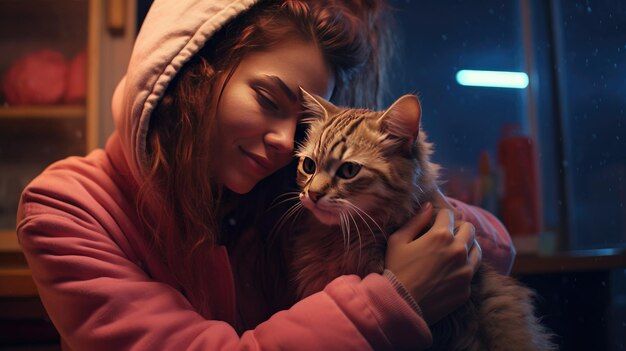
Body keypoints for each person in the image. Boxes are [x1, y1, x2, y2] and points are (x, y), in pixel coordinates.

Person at [16, 0, 515, 349]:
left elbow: (497, 246)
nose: (285, 142)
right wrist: (392, 301)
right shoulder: (66, 208)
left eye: (298, 123)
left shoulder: (281, 187)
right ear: (192, 71)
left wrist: (428, 206)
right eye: (266, 99)